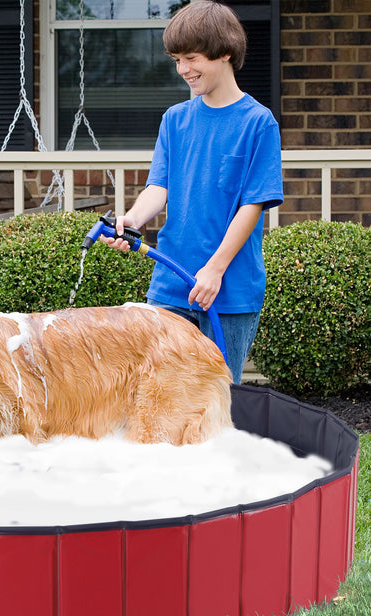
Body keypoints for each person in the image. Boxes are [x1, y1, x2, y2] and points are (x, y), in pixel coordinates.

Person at [101, 0, 283, 384]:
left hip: (229, 289)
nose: (183, 69)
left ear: (225, 53)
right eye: (176, 60)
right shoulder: (175, 120)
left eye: (191, 58)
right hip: (171, 283)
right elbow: (159, 186)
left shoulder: (257, 123)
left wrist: (215, 270)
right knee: (159, 393)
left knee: (214, 402)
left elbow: (252, 206)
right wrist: (132, 219)